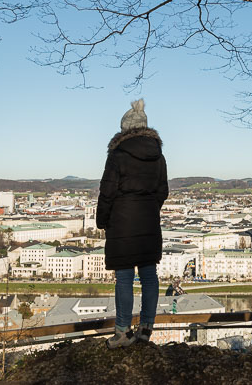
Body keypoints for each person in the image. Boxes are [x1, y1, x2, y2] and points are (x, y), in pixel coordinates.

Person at [97, 98, 168, 348]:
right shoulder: (159, 157)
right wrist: (149, 208)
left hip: (122, 222)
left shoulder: (117, 155)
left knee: (124, 277)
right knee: (149, 275)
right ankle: (146, 327)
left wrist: (103, 219)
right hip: (149, 221)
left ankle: (123, 332)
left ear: (124, 129)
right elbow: (163, 191)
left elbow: (107, 191)